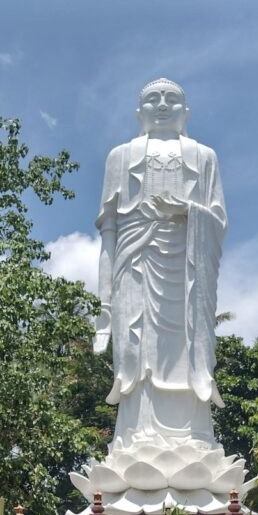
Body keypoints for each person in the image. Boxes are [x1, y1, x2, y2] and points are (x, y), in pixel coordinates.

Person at [93, 78, 227, 452]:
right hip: (134, 265)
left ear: (186, 113)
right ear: (140, 113)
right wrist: (104, 304)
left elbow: (217, 221)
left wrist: (186, 211)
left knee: (188, 349)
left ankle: (196, 438)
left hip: (188, 269)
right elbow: (109, 232)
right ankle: (136, 436)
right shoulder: (120, 157)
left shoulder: (204, 157)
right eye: (154, 98)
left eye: (172, 99)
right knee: (139, 351)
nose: (163, 104)